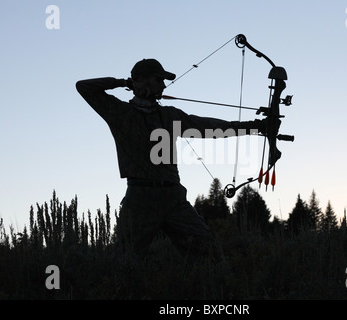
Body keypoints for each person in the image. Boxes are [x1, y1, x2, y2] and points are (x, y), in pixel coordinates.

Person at [76, 58, 266, 262]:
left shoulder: (169, 116)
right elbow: (84, 87)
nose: (163, 86)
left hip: (173, 196)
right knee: (124, 261)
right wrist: (124, 82)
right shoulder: (120, 112)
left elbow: (207, 127)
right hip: (140, 197)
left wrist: (254, 127)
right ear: (141, 80)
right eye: (158, 80)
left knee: (209, 253)